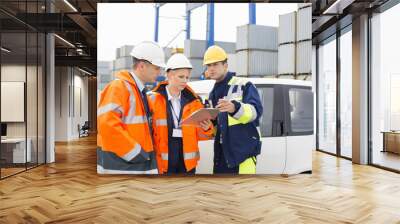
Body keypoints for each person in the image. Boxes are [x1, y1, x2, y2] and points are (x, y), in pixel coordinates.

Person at [97, 41, 165, 174]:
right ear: (141, 66)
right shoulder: (119, 88)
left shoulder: (141, 92)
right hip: (122, 166)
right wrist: (136, 153)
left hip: (136, 164)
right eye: (157, 68)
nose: (160, 71)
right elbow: (107, 125)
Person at [148, 53, 213, 174]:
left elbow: (201, 136)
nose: (185, 81)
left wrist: (207, 128)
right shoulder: (152, 100)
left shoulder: (194, 102)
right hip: (162, 165)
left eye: (187, 77)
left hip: (187, 166)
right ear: (169, 75)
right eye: (181, 77)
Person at [203, 45, 263, 174]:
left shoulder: (244, 85)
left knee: (241, 192)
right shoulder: (212, 93)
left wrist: (235, 108)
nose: (211, 69)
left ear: (225, 65)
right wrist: (209, 126)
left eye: (215, 64)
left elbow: (256, 111)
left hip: (242, 154)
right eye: (208, 66)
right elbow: (219, 127)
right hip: (222, 154)